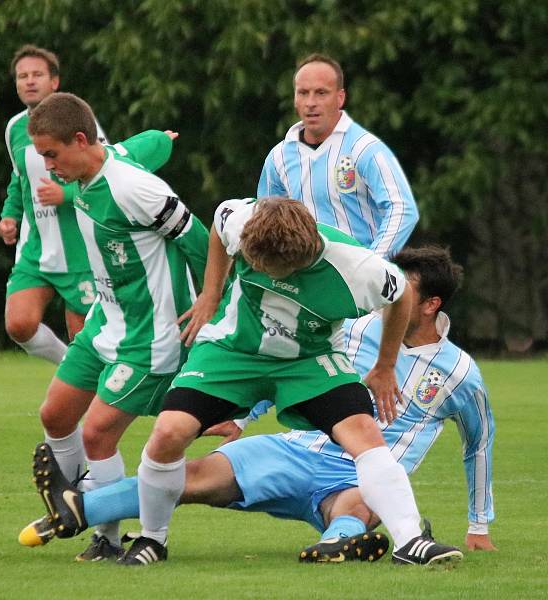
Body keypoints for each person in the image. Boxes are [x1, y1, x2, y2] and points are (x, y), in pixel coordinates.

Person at [24, 246, 490, 564]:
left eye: (405, 295)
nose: (392, 303)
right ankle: (77, 508)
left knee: (360, 503)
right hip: (295, 448)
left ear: (428, 305)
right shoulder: (357, 327)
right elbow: (293, 371)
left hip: (356, 474)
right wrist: (238, 415)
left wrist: (478, 525)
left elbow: (479, 445)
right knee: (192, 477)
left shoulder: (460, 373)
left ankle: (336, 544)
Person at [106, 197, 463, 566]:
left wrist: (385, 365)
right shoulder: (242, 220)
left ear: (305, 255)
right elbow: (217, 224)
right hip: (234, 350)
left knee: (364, 434)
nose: (264, 271)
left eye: (275, 268)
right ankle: (152, 539)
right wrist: (211, 294)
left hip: (309, 359)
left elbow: (401, 296)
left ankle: (410, 543)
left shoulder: (358, 267)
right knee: (168, 432)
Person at [26, 92, 209, 561]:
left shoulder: (135, 188)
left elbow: (200, 241)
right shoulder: (96, 165)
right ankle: (68, 504)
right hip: (105, 320)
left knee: (97, 433)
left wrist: (211, 303)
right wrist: (164, 139)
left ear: (81, 140)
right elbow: (148, 143)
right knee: (55, 415)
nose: (48, 168)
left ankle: (105, 535)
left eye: (52, 154)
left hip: (150, 334)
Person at [0, 45, 107, 364]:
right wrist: (9, 216)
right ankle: (68, 367)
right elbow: (19, 179)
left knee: (85, 338)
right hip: (36, 248)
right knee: (19, 323)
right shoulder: (14, 129)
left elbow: (108, 174)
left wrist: (66, 195)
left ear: (54, 82)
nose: (29, 81)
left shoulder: (80, 123)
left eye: (37, 75)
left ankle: (94, 395)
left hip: (80, 250)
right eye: (22, 76)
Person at [257, 54, 418, 259]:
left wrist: (373, 265)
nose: (311, 102)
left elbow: (403, 208)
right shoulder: (278, 157)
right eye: (303, 93)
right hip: (304, 281)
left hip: (359, 280)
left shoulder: (364, 148)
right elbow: (265, 219)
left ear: (340, 98)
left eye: (321, 93)